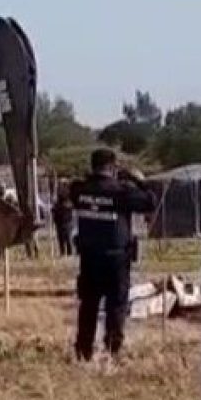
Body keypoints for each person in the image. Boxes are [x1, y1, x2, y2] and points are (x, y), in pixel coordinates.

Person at [69, 148, 157, 364]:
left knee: (88, 305)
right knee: (116, 306)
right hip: (116, 259)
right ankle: (112, 350)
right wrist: (139, 181)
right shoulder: (121, 192)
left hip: (89, 259)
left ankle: (83, 351)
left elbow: (74, 191)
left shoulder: (79, 190)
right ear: (112, 166)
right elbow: (151, 202)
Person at [52, 186, 75, 257]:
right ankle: (64, 252)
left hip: (66, 223)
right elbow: (54, 211)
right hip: (62, 223)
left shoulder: (67, 204)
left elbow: (55, 211)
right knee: (63, 239)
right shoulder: (60, 204)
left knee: (66, 239)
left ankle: (67, 252)